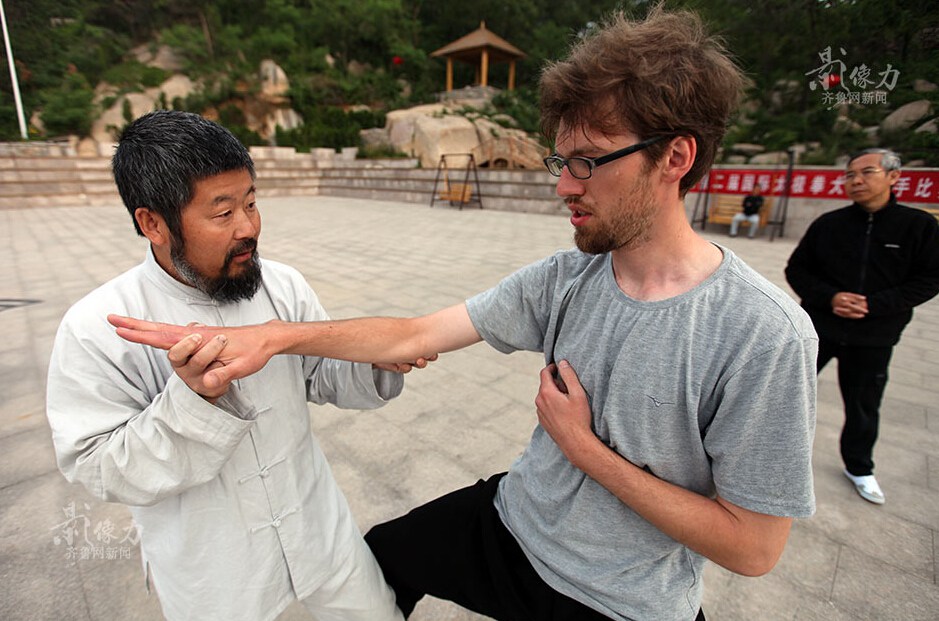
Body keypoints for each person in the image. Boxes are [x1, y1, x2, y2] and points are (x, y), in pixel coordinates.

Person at [110, 10, 817, 621]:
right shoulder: (564, 279)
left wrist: (584, 449)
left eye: (588, 161)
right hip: (512, 523)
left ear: (675, 156)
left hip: (619, 595)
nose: (564, 186)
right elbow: (417, 333)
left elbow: (753, 548)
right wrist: (273, 337)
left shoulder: (760, 335)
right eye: (560, 161)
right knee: (379, 560)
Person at [45, 110, 426, 621]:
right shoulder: (97, 326)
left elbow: (317, 373)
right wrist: (193, 401)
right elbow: (96, 464)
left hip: (316, 522)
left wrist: (374, 359)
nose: (248, 228)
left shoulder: (281, 284)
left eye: (251, 203)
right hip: (213, 566)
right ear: (153, 223)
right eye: (223, 213)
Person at [785, 148, 939, 505]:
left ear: (894, 177)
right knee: (785, 393)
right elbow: (797, 270)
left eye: (867, 172)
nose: (856, 181)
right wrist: (831, 297)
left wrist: (876, 304)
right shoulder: (829, 224)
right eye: (849, 175)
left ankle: (859, 467)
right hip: (819, 329)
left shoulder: (918, 226)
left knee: (863, 405)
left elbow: (930, 279)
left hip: (874, 335)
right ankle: (766, 453)